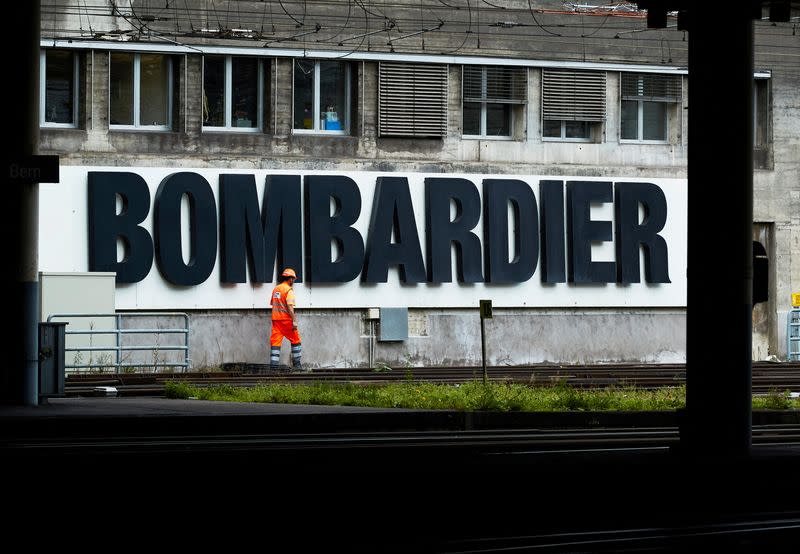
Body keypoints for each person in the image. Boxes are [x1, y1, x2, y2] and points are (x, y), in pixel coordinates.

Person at [269, 268, 307, 372]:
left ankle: (273, 367)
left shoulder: (276, 289)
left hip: (276, 320)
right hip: (286, 321)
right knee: (296, 340)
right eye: (293, 279)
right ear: (290, 279)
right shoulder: (288, 290)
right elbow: (290, 307)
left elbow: (273, 304)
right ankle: (297, 365)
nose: (293, 281)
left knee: (275, 343)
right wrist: (294, 320)